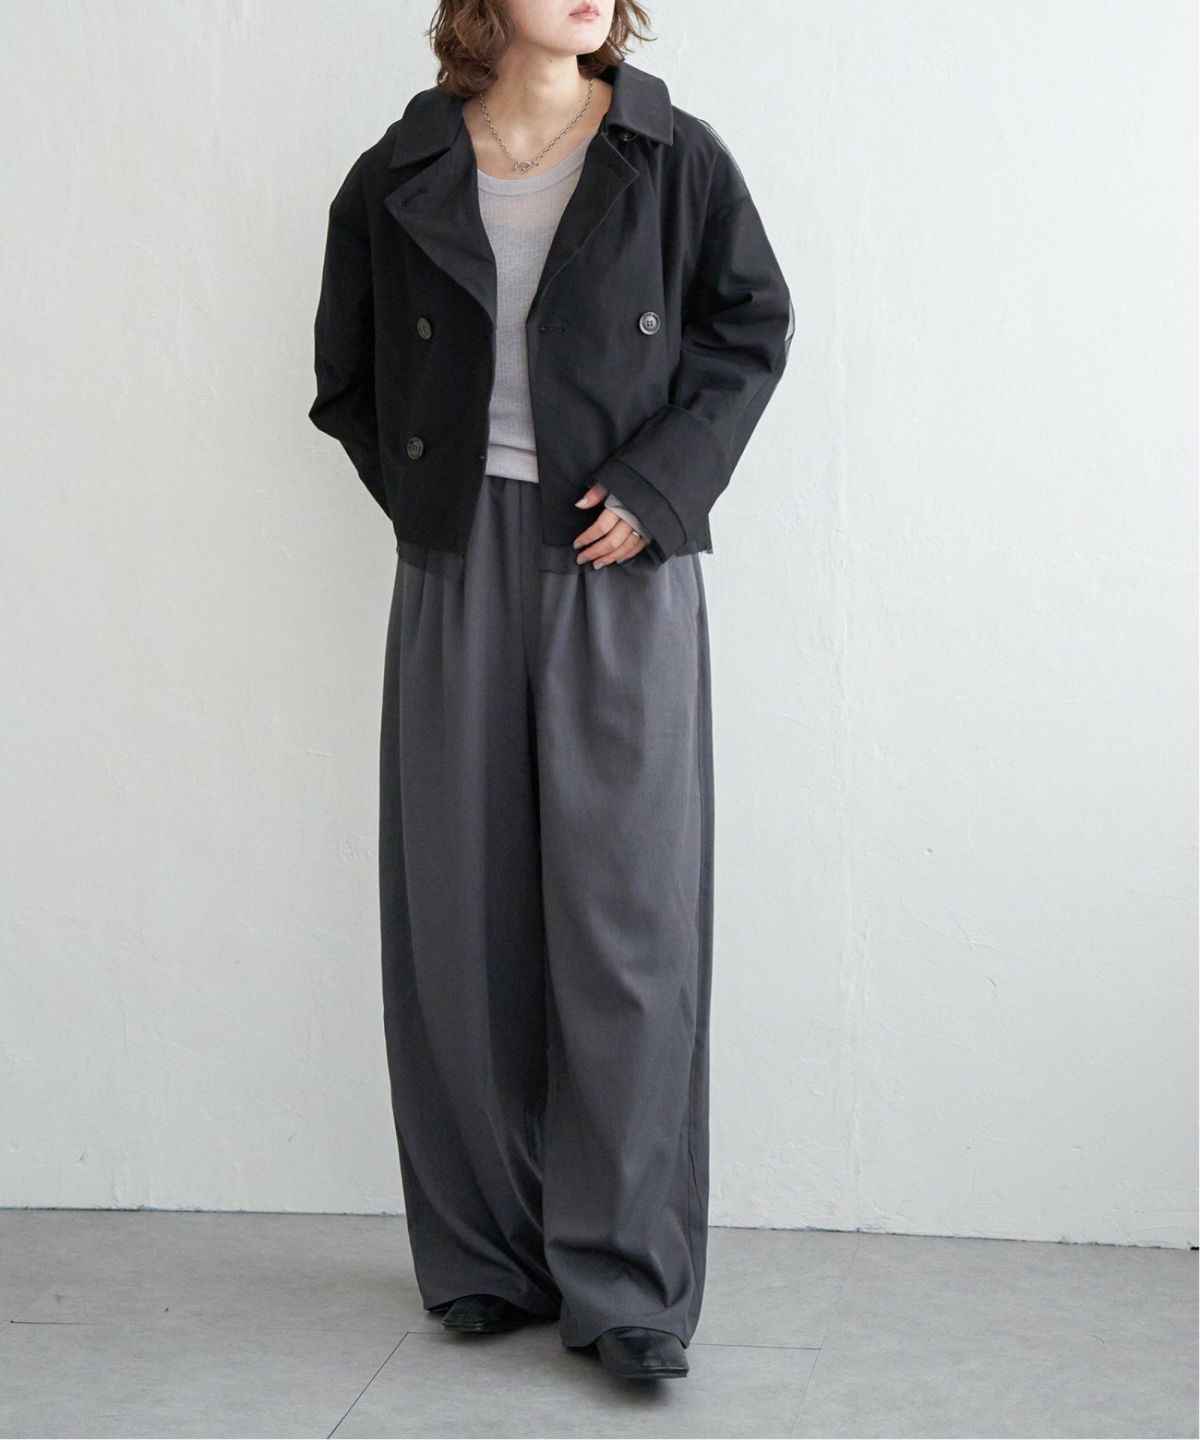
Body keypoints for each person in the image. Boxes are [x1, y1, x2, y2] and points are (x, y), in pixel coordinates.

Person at [308, 0, 793, 1383]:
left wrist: (659, 486)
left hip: (618, 562)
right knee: (458, 920)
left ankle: (627, 1282)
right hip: (456, 564)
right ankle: (482, 1255)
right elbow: (346, 376)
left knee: (627, 926)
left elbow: (751, 329)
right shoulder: (402, 169)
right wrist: (431, 500)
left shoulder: (671, 156)